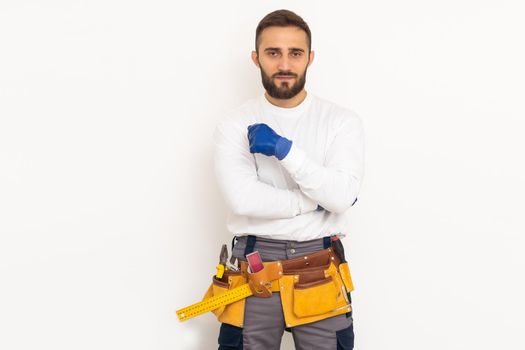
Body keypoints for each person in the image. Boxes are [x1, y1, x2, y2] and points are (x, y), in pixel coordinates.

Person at [212, 9, 364, 350]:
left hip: (321, 268)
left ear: (310, 58)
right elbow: (243, 199)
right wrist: (317, 199)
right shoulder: (235, 124)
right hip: (253, 268)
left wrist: (285, 151)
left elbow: (340, 197)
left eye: (295, 53)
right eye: (272, 52)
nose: (284, 64)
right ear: (256, 58)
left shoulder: (341, 122)